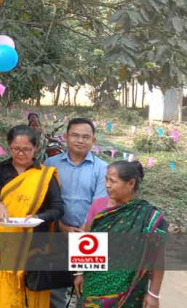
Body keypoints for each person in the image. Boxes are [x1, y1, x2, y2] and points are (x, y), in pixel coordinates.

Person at [0, 125, 64, 308]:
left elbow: (58, 208)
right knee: (5, 295)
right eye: (16, 149)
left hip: (36, 245)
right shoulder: (0, 169)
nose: (21, 153)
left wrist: (38, 217)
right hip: (6, 243)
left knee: (33, 297)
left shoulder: (44, 175)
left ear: (35, 148)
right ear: (9, 146)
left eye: (26, 149)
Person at [74, 161, 167, 307]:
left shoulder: (149, 218)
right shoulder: (99, 206)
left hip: (129, 291)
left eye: (112, 181)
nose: (107, 185)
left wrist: (154, 294)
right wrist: (79, 272)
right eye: (106, 179)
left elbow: (157, 259)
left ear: (130, 183)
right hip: (93, 286)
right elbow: (85, 239)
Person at [44, 118, 108, 306]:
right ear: (65, 137)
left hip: (90, 236)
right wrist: (61, 227)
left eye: (86, 137)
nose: (80, 140)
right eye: (75, 135)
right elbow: (45, 201)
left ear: (93, 141)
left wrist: (82, 232)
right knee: (55, 289)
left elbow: (100, 204)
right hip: (56, 233)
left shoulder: (102, 168)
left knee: (88, 289)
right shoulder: (50, 164)